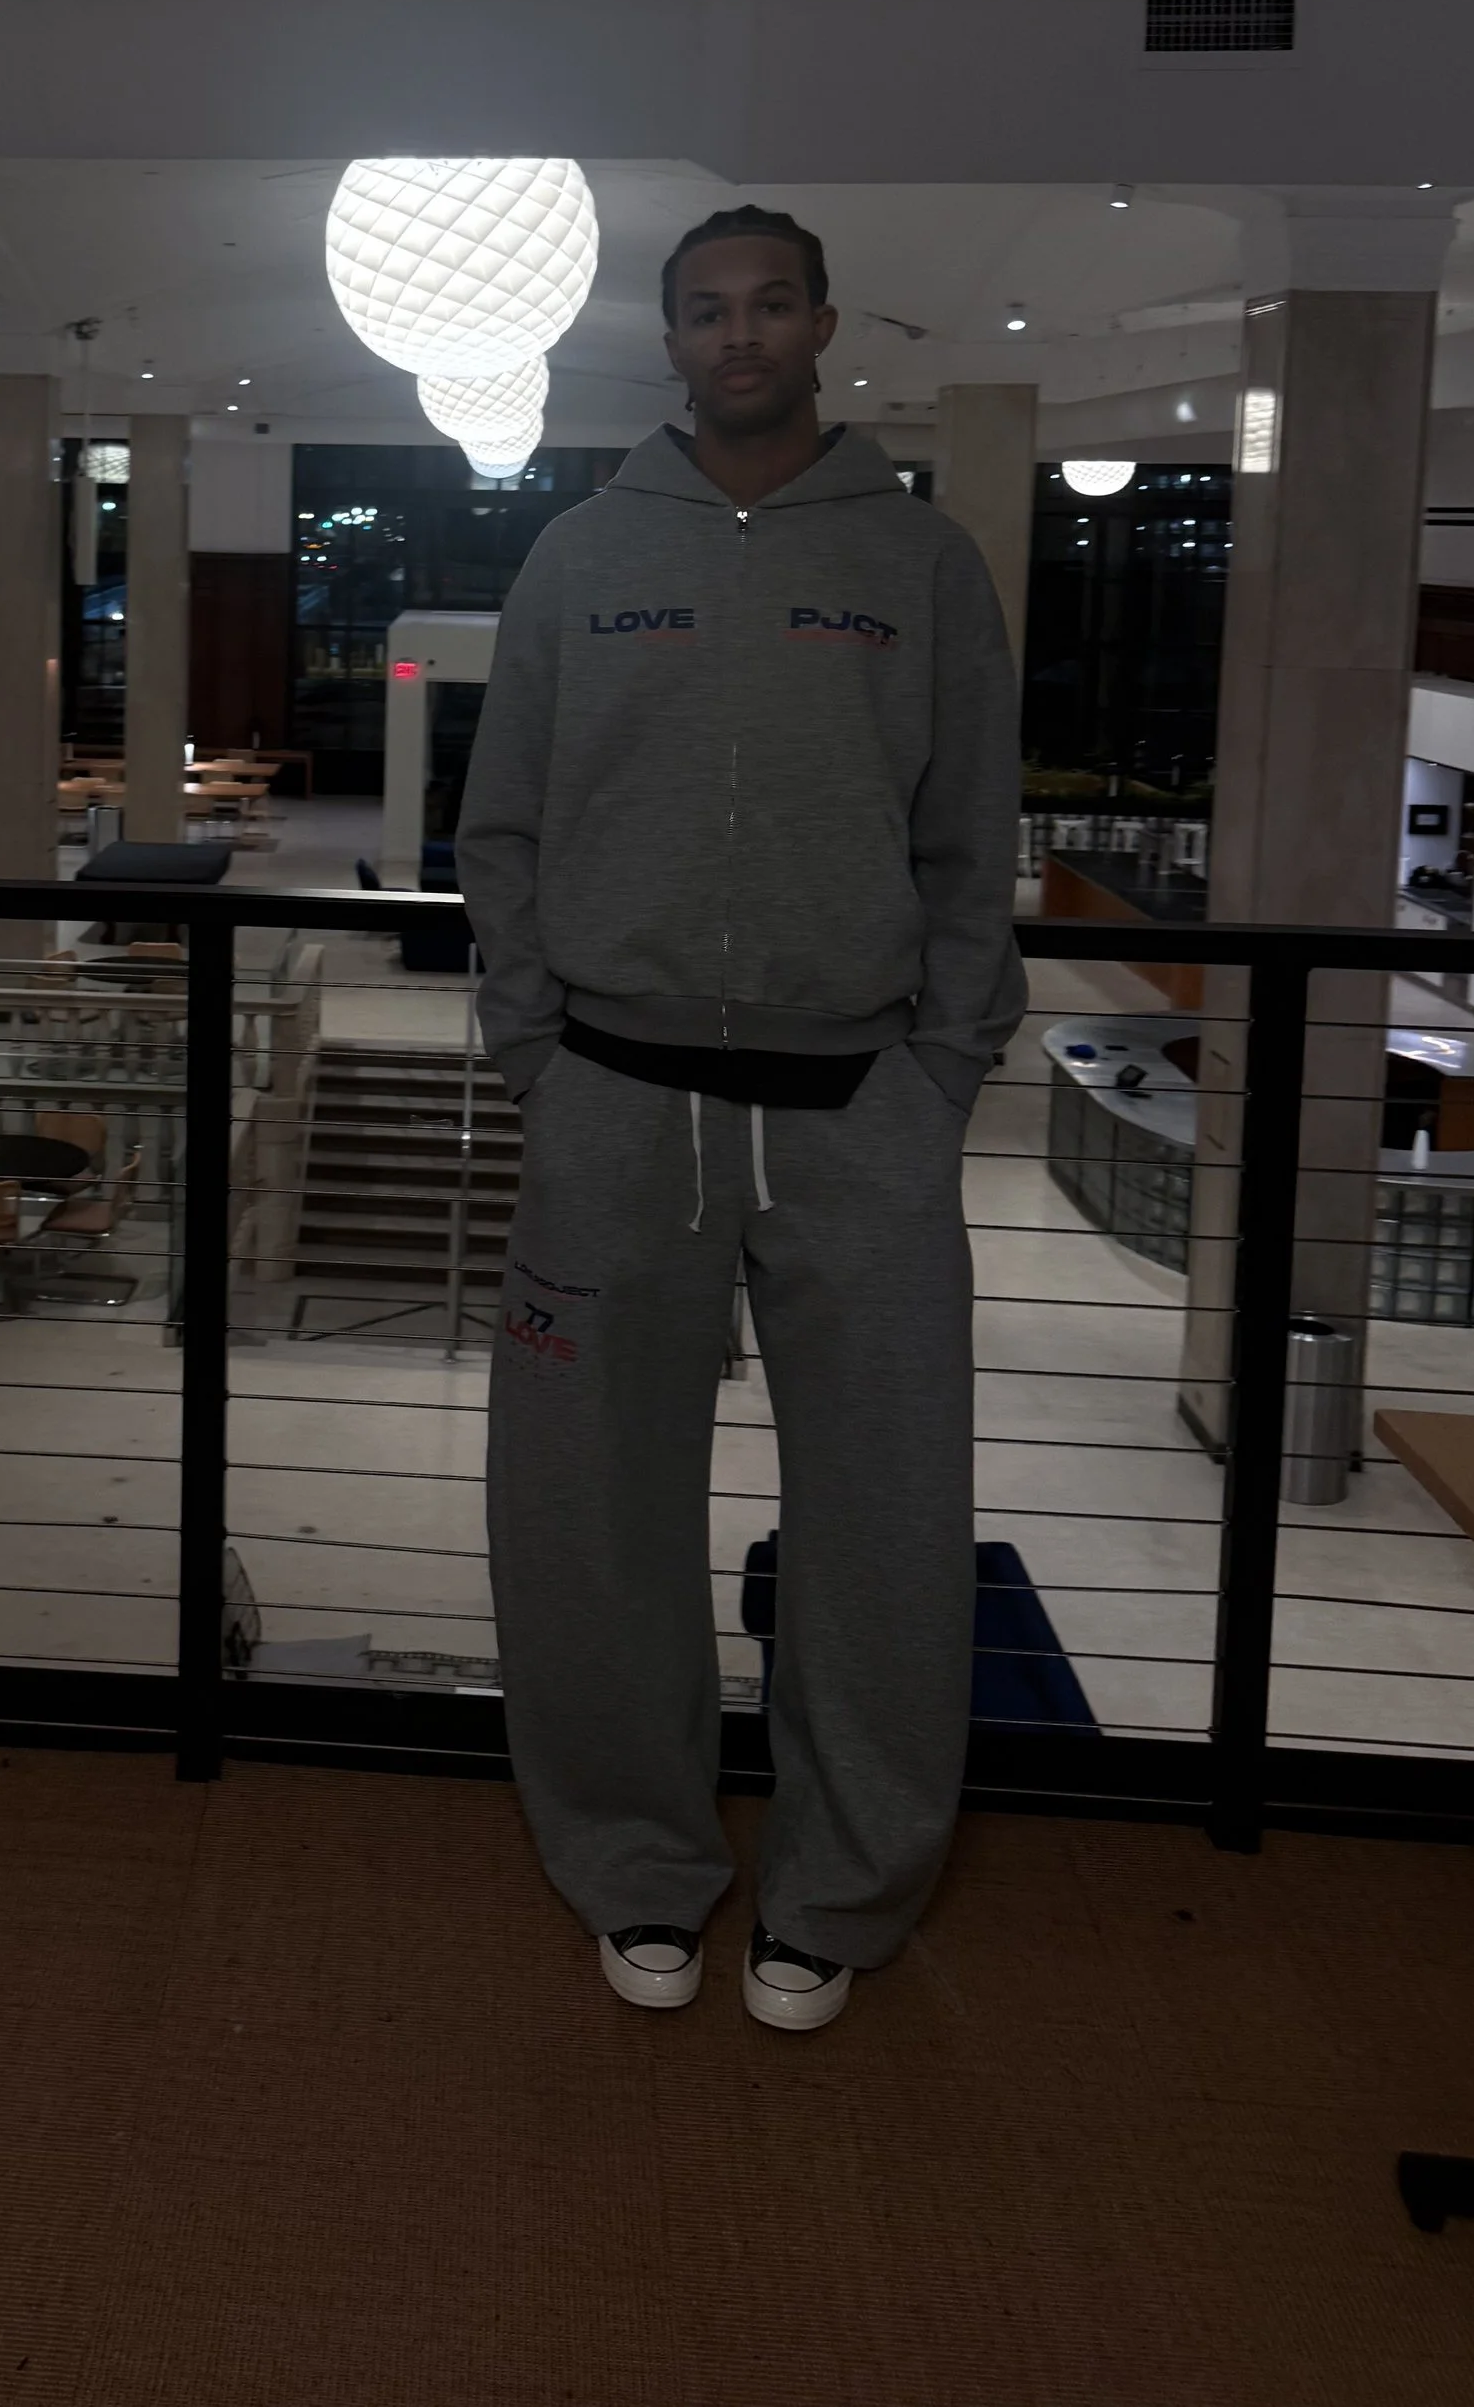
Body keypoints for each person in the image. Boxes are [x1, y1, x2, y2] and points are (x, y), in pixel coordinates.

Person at [455, 202, 1022, 2033]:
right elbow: (505, 825)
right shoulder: (579, 555)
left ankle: (842, 1893)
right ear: (670, 339)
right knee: (589, 1517)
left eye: (771, 303)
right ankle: (637, 1862)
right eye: (708, 310)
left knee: (884, 1522)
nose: (741, 334)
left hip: (861, 1109)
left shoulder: (922, 565)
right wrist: (537, 1047)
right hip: (611, 1103)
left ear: (824, 324)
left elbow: (968, 846)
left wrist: (941, 1070)